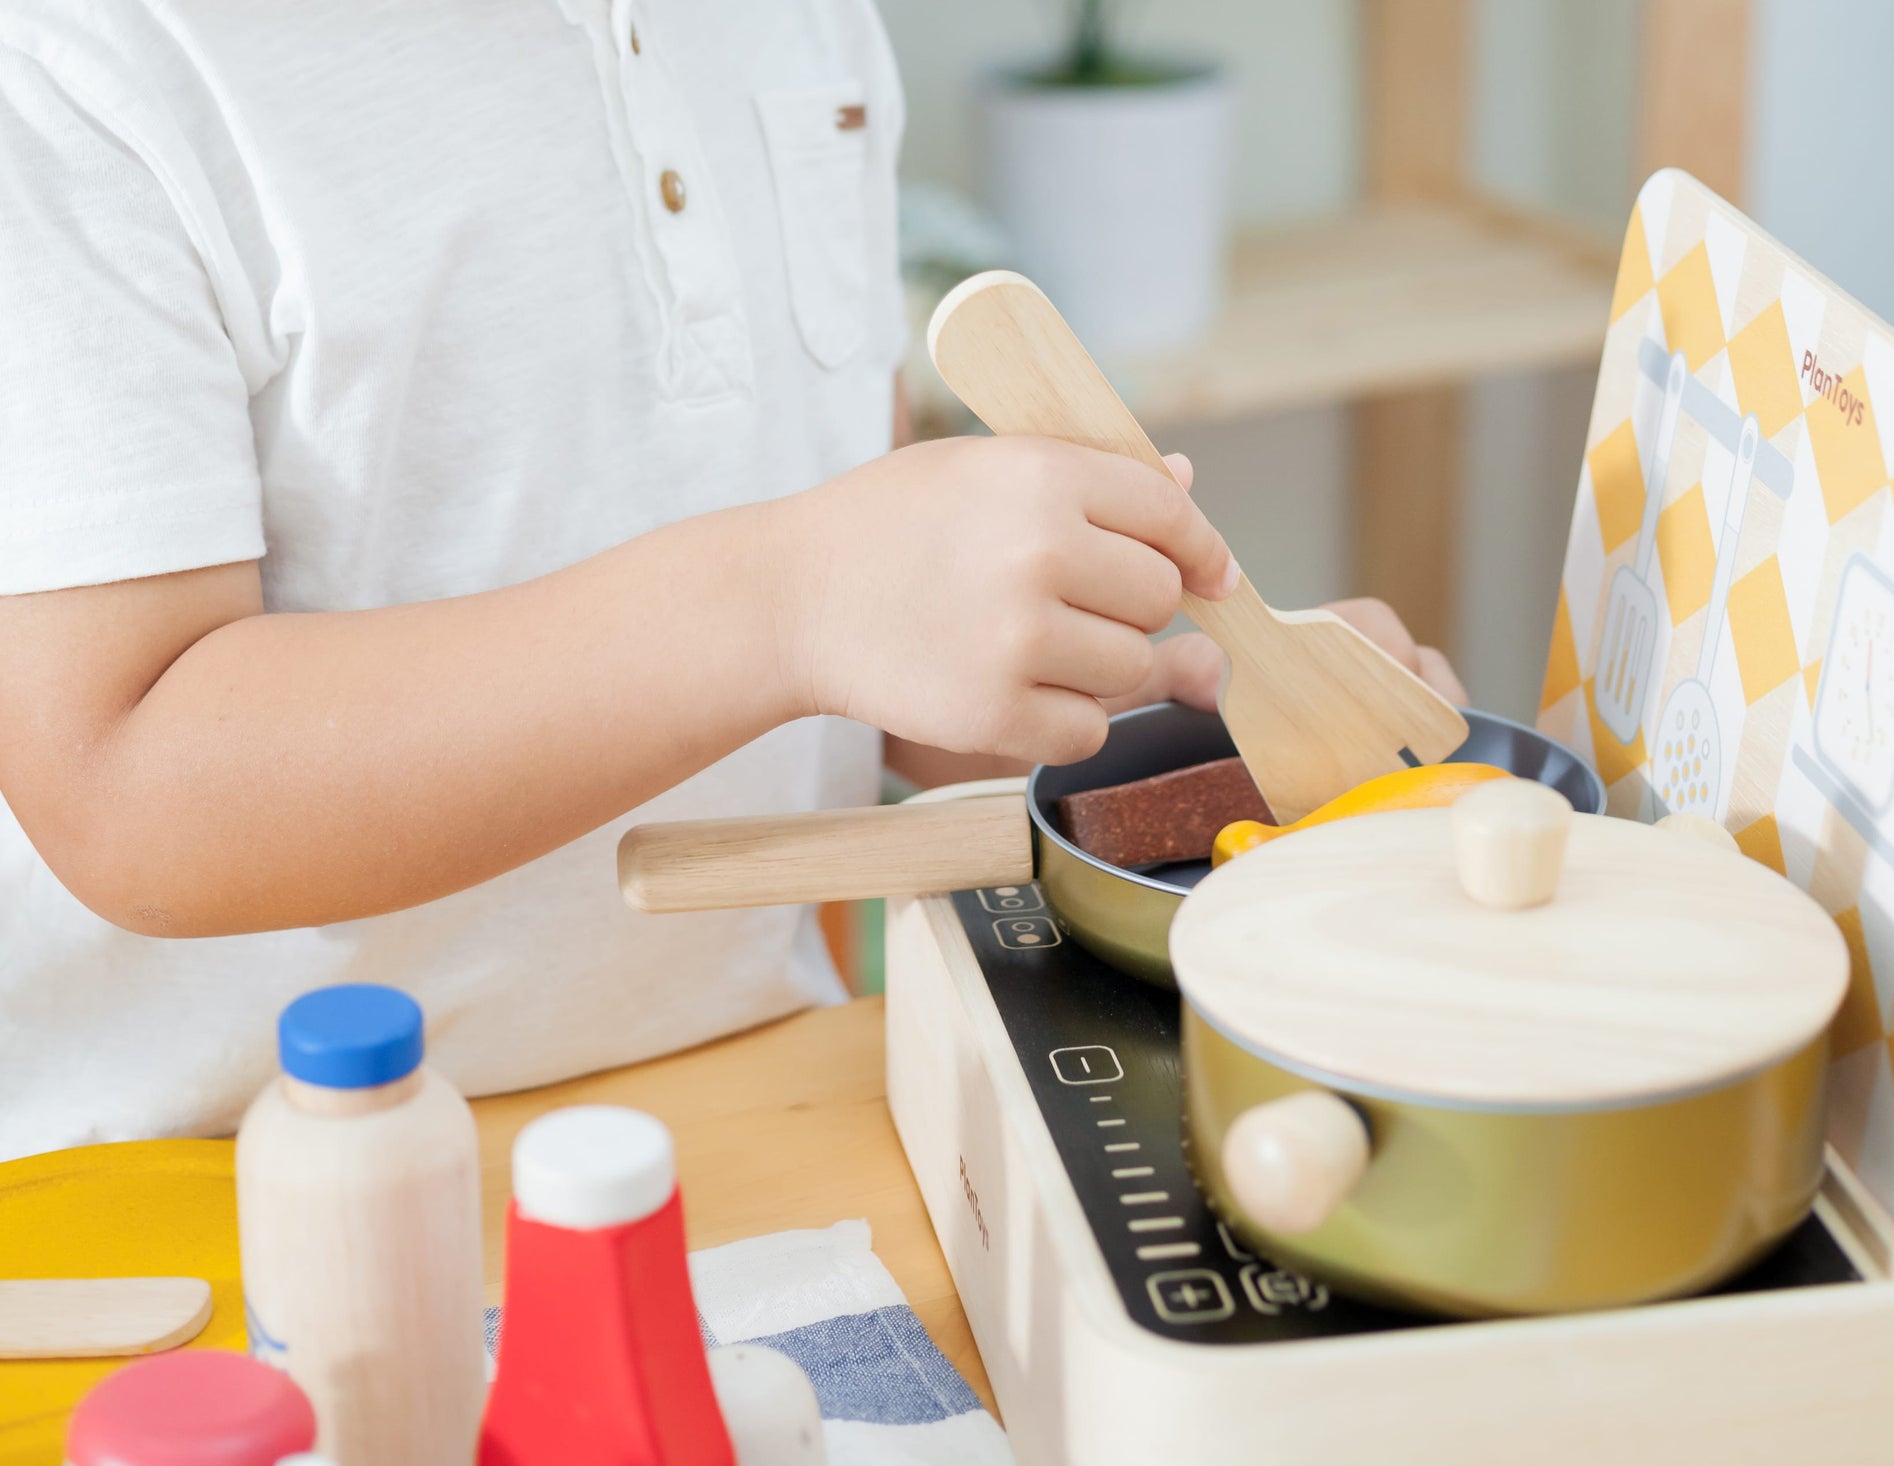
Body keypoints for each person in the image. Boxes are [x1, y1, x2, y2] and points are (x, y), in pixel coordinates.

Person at [0, 0, 1463, 1159]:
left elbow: (883, 676)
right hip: (213, 1199)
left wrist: (1193, 706)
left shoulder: (794, 21)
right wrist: (789, 597)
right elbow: (125, 781)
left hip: (766, 1108)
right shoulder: (73, 61)